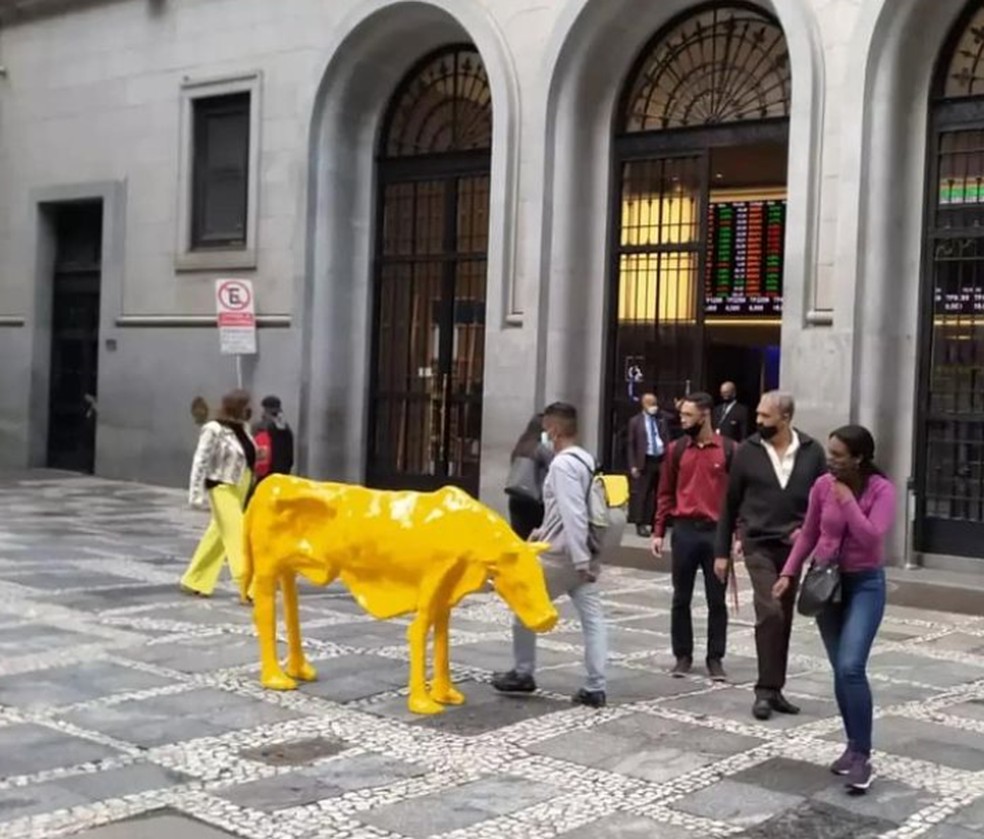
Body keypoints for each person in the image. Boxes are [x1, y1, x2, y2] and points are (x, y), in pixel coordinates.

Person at [772, 426, 895, 792]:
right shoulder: (822, 486)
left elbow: (872, 538)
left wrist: (846, 501)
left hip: (865, 585)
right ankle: (853, 745)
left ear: (859, 457)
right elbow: (809, 533)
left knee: (851, 666)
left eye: (839, 455)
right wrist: (788, 572)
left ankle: (863, 756)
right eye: (830, 453)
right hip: (827, 586)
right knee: (840, 671)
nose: (831, 460)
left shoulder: (880, 490)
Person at [714, 390, 827, 721]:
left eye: (765, 416)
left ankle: (775, 689)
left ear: (786, 418)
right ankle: (764, 691)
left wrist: (809, 532)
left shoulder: (811, 452)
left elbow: (822, 501)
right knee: (770, 611)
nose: (758, 420)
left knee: (785, 617)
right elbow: (729, 503)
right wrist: (722, 551)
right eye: (759, 415)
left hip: (794, 548)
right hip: (757, 543)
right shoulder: (747, 451)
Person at [492, 402, 608, 708]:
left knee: (523, 606)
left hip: (562, 557)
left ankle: (523, 672)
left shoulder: (561, 465)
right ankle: (596, 686)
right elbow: (563, 511)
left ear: (554, 430)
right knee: (593, 619)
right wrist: (542, 531)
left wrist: (581, 561)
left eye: (547, 429)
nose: (545, 434)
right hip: (574, 552)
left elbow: (573, 513)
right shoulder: (586, 459)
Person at [652, 392, 736, 682]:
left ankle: (715, 658)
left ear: (705, 415)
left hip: (716, 533)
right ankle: (683, 655)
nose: (682, 420)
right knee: (680, 597)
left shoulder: (728, 450)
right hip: (685, 530)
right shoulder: (676, 450)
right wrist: (659, 530)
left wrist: (738, 534)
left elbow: (739, 497)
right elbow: (665, 492)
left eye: (688, 415)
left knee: (717, 600)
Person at [181, 389, 256, 601]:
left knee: (218, 536)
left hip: (241, 487)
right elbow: (200, 460)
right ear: (238, 406)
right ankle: (249, 588)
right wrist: (195, 494)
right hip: (222, 486)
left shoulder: (244, 428)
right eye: (248, 405)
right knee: (238, 535)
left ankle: (195, 579)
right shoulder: (213, 429)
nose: (252, 410)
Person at [506, 414, 554, 539]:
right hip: (534, 500)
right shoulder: (540, 449)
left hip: (516, 497)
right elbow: (554, 465)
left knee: (520, 538)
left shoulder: (520, 446)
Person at [627, 393, 669, 537]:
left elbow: (674, 419)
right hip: (645, 460)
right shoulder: (635, 421)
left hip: (661, 459)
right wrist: (633, 465)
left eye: (655, 403)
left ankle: (655, 523)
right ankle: (640, 522)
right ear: (643, 405)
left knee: (660, 494)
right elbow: (631, 445)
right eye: (650, 404)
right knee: (643, 494)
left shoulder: (661, 418)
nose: (653, 407)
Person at [253, 395, 295, 482]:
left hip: (265, 477)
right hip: (282, 476)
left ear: (265, 410)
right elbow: (290, 457)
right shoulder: (286, 428)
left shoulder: (260, 428)